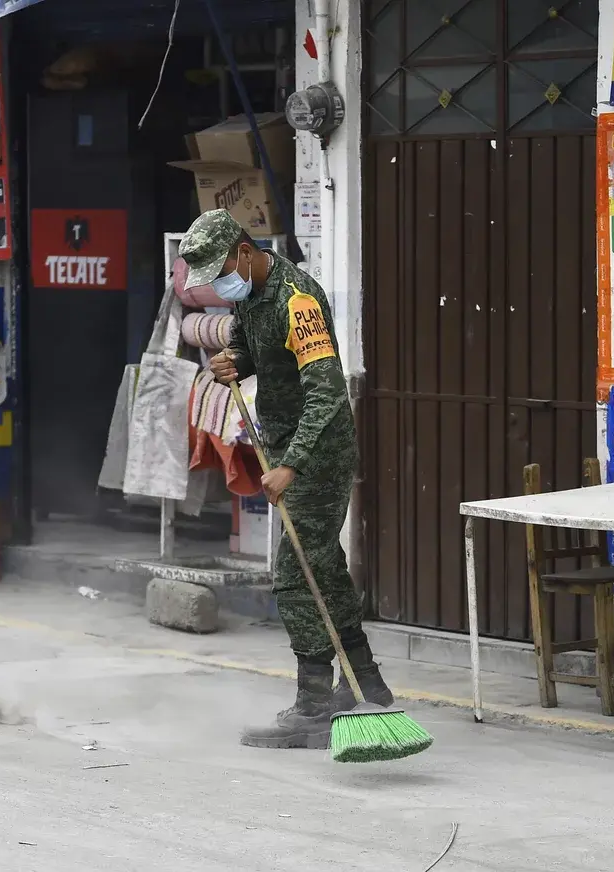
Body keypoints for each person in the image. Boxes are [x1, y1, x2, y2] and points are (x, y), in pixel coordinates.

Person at [178, 209, 392, 749]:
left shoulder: (298, 301)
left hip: (316, 455)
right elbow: (258, 354)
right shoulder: (250, 294)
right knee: (323, 567)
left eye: (222, 271)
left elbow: (326, 393)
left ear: (245, 253)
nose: (221, 286)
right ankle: (365, 682)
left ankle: (314, 707)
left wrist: (290, 465)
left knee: (295, 578)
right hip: (287, 450)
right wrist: (232, 363)